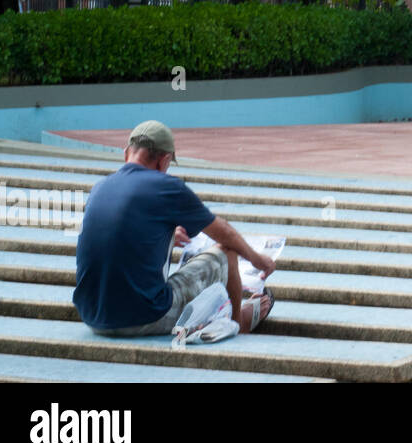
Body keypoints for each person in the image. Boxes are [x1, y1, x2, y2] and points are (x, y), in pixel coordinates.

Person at [73, 120, 275, 336]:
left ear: (126, 154)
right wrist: (256, 259)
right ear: (164, 160)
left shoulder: (99, 188)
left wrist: (167, 234)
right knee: (227, 251)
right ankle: (238, 324)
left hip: (91, 316)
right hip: (143, 317)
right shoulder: (166, 187)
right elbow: (224, 232)